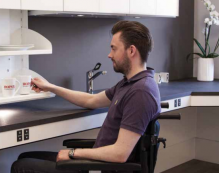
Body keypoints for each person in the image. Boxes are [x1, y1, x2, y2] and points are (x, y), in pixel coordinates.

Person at [11, 20, 161, 173]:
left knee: (20, 166)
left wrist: (73, 153)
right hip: (97, 162)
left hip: (101, 167)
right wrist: (51, 87)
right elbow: (92, 100)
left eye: (114, 49)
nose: (109, 55)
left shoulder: (140, 92)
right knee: (25, 156)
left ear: (131, 51)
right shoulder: (129, 84)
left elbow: (120, 154)